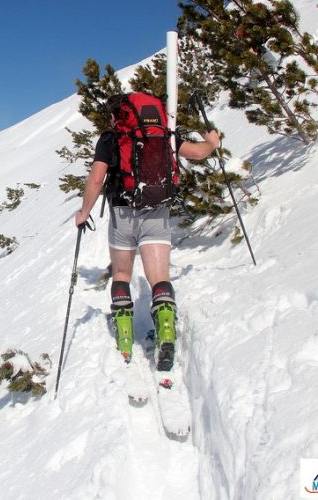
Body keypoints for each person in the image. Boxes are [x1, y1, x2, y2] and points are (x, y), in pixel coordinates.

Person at [74, 125, 220, 370]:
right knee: (159, 277)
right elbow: (196, 153)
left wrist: (83, 212)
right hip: (156, 211)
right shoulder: (162, 131)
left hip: (122, 212)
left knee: (121, 273)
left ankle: (124, 336)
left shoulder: (111, 137)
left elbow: (97, 178)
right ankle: (165, 328)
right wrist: (212, 143)